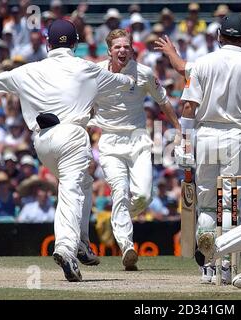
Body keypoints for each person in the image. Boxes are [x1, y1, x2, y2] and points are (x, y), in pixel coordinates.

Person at [0, 19, 135, 282]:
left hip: (42, 143)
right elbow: (124, 83)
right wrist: (129, 78)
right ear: (75, 44)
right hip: (71, 135)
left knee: (82, 183)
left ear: (48, 43)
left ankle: (81, 242)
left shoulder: (27, 70)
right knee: (71, 190)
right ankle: (66, 248)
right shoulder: (87, 68)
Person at [175, 13, 241, 284]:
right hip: (239, 137)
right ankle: (225, 266)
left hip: (206, 135)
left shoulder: (201, 64)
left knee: (207, 205)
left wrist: (185, 142)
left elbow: (188, 108)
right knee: (229, 203)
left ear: (219, 36)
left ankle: (208, 265)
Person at [88, 29, 181, 271]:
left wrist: (180, 129)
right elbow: (84, 103)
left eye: (126, 46)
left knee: (143, 196)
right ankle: (127, 245)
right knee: (120, 190)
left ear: (132, 49)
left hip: (138, 140)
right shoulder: (96, 72)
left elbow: (163, 101)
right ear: (109, 50)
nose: (122, 50)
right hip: (110, 143)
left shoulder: (144, 74)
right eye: (117, 47)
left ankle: (118, 219)